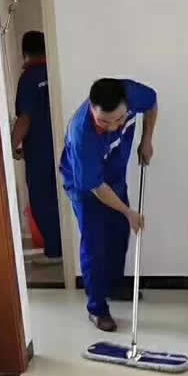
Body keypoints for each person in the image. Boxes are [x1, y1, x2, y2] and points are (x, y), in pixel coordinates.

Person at [60, 77, 158, 332]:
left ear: (127, 105)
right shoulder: (82, 134)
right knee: (95, 243)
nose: (113, 126)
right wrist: (129, 212)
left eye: (120, 119)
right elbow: (96, 188)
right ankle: (97, 308)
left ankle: (114, 285)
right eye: (104, 121)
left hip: (113, 174)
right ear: (92, 109)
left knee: (119, 231)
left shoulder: (133, 94)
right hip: (86, 185)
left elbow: (152, 103)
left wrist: (146, 139)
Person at [11, 31, 62, 262]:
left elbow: (25, 118)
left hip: (40, 153)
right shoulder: (55, 72)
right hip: (61, 147)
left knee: (42, 199)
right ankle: (66, 249)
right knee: (61, 197)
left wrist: (11, 145)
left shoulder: (29, 78)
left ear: (25, 53)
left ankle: (55, 250)